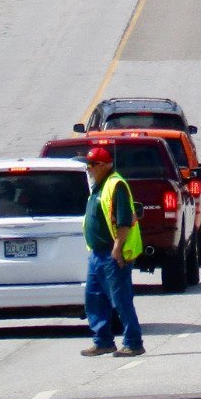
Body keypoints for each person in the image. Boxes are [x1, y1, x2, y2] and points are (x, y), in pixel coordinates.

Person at [81, 145, 144, 358]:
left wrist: (117, 248)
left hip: (112, 253)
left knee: (121, 299)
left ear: (104, 165)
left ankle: (133, 342)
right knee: (94, 298)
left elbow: (125, 220)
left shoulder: (116, 185)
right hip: (96, 254)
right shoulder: (98, 186)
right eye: (88, 164)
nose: (89, 169)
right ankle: (103, 341)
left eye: (92, 165)